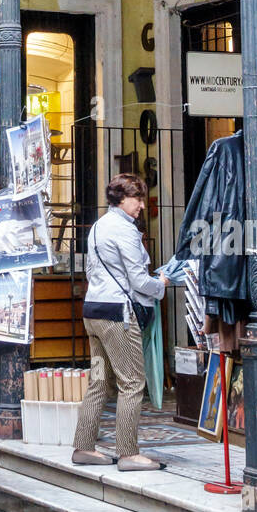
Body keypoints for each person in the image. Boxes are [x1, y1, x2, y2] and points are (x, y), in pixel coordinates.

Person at [72, 173, 169, 472]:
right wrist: (161, 284)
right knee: (132, 383)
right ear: (122, 198)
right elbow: (139, 280)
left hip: (94, 311)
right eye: (137, 198)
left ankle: (84, 447)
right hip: (118, 316)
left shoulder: (99, 226)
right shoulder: (125, 230)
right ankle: (128, 453)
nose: (141, 204)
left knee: (99, 381)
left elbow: (92, 270)